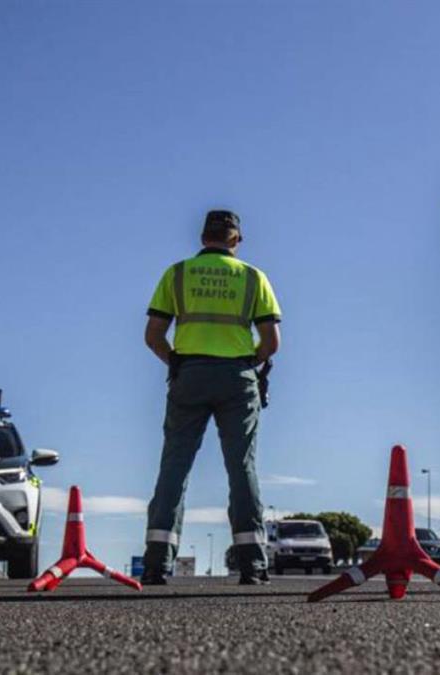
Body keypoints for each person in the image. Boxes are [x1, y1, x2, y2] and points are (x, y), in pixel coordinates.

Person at [141, 209, 282, 586]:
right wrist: (250, 362)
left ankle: (156, 562)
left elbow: (153, 334)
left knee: (175, 466)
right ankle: (252, 564)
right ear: (237, 239)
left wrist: (177, 363)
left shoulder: (178, 273)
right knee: (241, 468)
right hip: (237, 377)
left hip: (189, 375)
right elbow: (272, 342)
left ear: (203, 238)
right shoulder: (254, 277)